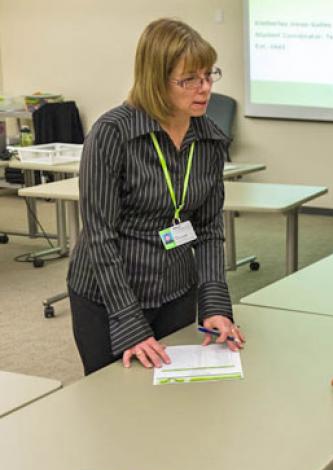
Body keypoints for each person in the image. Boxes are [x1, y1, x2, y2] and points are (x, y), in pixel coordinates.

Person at [67, 18, 244, 375]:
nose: (204, 88)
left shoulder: (210, 140)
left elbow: (208, 228)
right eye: (189, 79)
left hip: (176, 289)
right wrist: (130, 323)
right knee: (116, 404)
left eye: (209, 75)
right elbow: (100, 236)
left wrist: (214, 305)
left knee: (175, 403)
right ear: (155, 79)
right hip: (109, 296)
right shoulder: (112, 134)